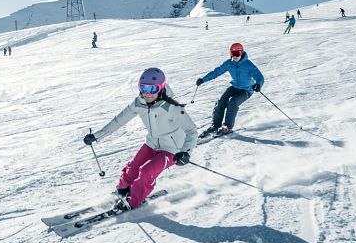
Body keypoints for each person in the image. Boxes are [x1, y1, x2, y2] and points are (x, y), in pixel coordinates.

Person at [83, 68, 198, 211]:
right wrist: (97, 136)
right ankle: (123, 190)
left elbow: (192, 131)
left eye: (153, 89)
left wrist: (186, 152)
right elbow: (119, 121)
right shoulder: (139, 102)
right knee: (133, 168)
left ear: (161, 88)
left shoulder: (172, 107)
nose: (147, 93)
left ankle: (133, 201)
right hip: (152, 143)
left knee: (146, 172)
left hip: (172, 149)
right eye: (144, 88)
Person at [195, 42, 264, 136]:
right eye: (233, 54)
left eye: (237, 54)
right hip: (235, 86)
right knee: (221, 101)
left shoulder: (248, 65)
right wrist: (203, 79)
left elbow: (259, 77)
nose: (235, 56)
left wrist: (258, 85)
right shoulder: (229, 63)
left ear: (241, 53)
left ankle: (227, 127)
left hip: (246, 90)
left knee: (233, 103)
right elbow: (217, 72)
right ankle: (216, 125)